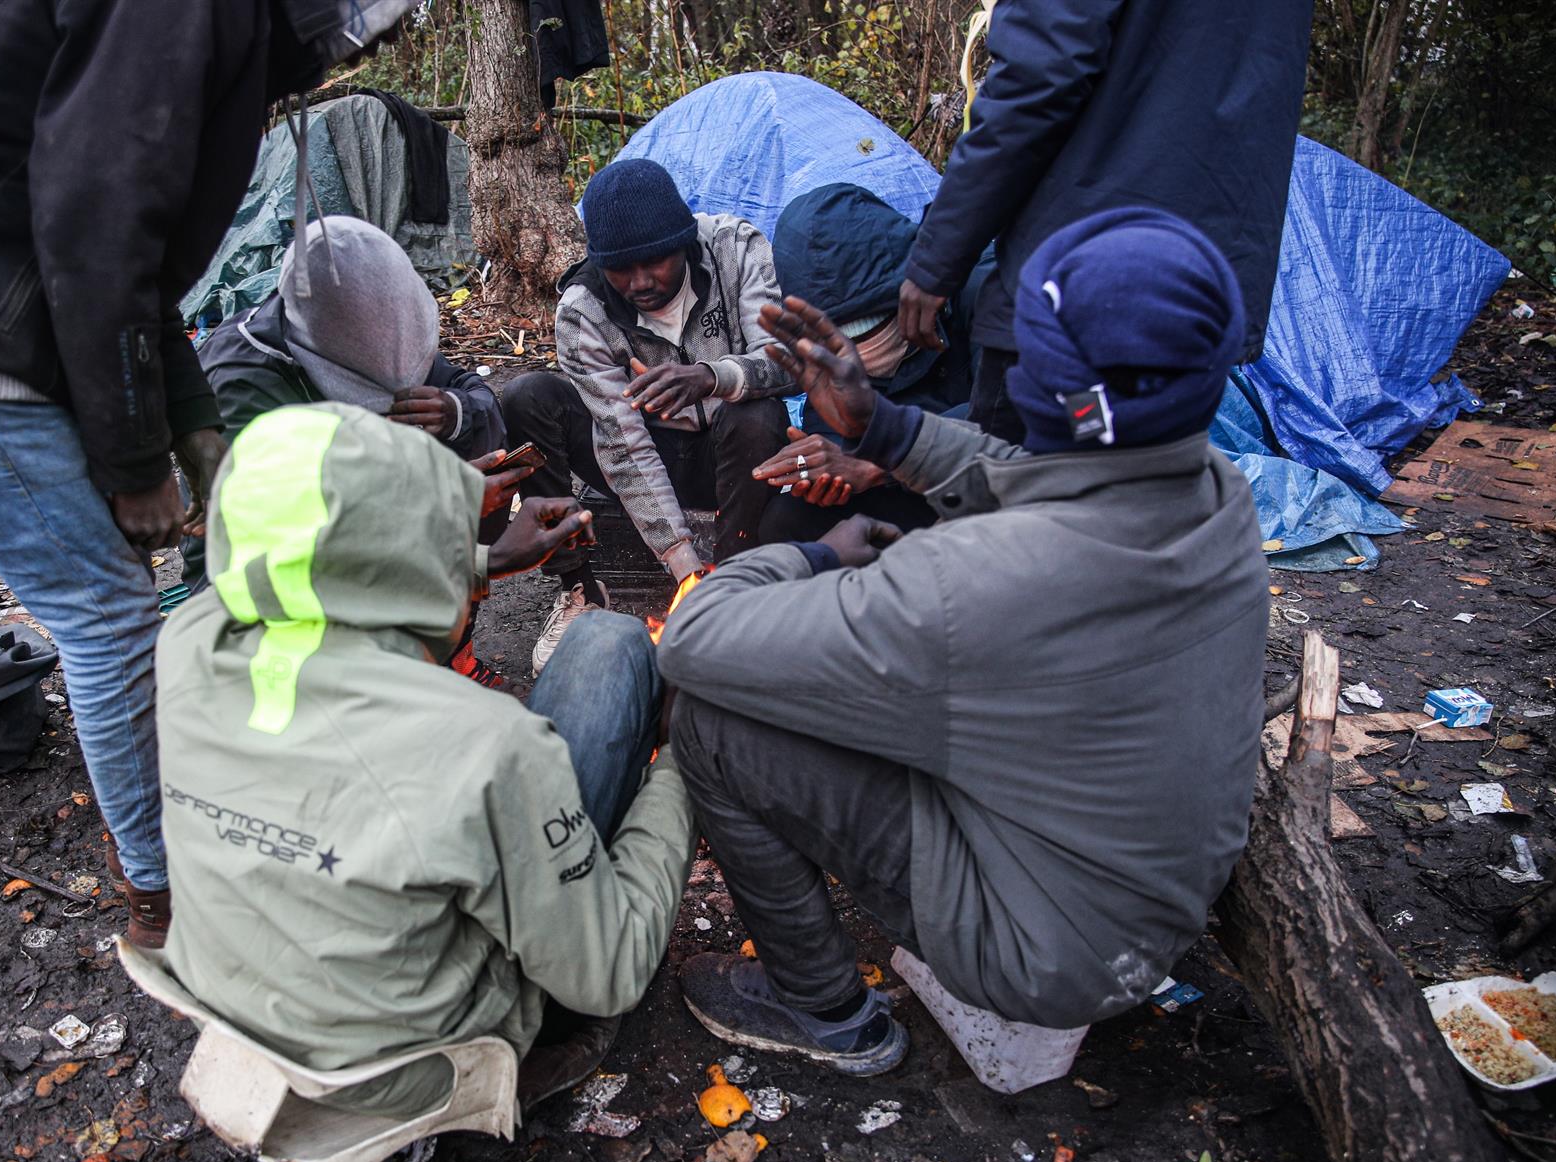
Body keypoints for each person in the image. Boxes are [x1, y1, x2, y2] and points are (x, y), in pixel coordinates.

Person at [0, 0, 412, 947]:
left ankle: (175, 811)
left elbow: (137, 265)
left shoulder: (217, 37)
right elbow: (94, 227)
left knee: (118, 590)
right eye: (384, 25)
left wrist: (195, 430)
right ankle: (166, 903)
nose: (383, 46)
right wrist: (132, 462)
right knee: (107, 611)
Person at [658, 210, 1268, 1075]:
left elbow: (693, 638)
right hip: (1151, 910)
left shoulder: (974, 582)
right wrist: (888, 430)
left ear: (1040, 383)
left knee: (712, 727)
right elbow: (1042, 475)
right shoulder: (1215, 489)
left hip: (1042, 957)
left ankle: (824, 1010)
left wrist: (813, 554)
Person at [156, 401, 696, 1118]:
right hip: (411, 1068)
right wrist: (683, 763)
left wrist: (480, 561)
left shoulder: (187, 639)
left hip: (236, 1018)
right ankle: (541, 1039)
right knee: (608, 643)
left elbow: (304, 570)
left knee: (595, 645)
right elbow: (616, 968)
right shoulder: (488, 744)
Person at [896, 0, 1312, 443]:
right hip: (1195, 291)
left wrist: (937, 260)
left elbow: (1037, 76)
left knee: (1016, 487)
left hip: (1079, 296)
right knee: (1115, 479)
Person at [502, 158, 795, 672]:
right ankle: (580, 589)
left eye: (655, 261)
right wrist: (683, 564)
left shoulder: (734, 248)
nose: (640, 282)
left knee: (757, 413)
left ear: (683, 241)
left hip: (733, 451)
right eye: (621, 269)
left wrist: (712, 376)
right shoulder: (583, 308)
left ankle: (730, 584)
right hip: (650, 451)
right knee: (530, 396)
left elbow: (785, 362)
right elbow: (622, 444)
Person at [189, 215, 509, 682]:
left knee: (475, 451)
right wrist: (441, 496)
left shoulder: (374, 323)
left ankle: (444, 657)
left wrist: (453, 410)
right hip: (270, 591)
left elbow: (474, 398)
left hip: (381, 540)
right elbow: (293, 534)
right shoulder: (242, 381)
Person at [753, 182, 993, 541]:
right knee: (790, 521)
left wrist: (881, 461)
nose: (855, 349)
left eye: (868, 325)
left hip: (996, 488)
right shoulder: (822, 353)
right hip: (906, 493)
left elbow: (1004, 423)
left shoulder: (987, 289)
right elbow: (840, 439)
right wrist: (829, 470)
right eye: (836, 336)